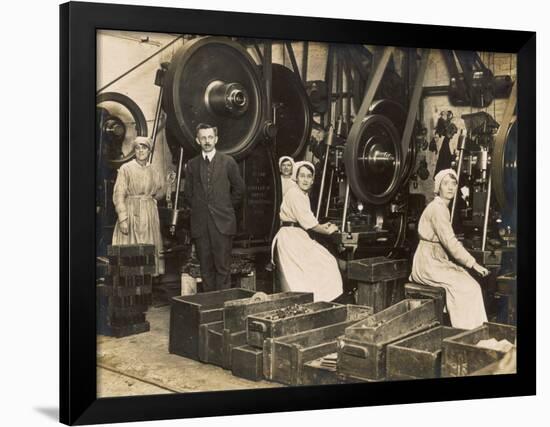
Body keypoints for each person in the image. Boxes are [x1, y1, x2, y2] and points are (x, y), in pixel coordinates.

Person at [410, 168, 489, 329]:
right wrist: (473, 264)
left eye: (454, 183)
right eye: (446, 184)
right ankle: (467, 333)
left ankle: (474, 330)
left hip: (434, 260)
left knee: (466, 280)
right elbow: (450, 242)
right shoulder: (437, 209)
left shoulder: (440, 207)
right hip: (428, 264)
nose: (451, 187)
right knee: (469, 287)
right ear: (438, 188)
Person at [183, 123, 245, 292]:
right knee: (206, 270)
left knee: (223, 269)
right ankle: (210, 308)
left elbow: (239, 189)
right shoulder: (192, 165)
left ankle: (223, 309)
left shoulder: (228, 162)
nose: (207, 141)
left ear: (216, 139)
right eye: (203, 137)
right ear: (198, 140)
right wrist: (200, 209)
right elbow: (188, 193)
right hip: (201, 226)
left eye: (210, 137)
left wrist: (225, 207)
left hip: (223, 224)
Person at [272, 161, 343, 301]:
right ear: (296, 178)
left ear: (312, 180)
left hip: (297, 235)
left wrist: (323, 226)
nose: (305, 179)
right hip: (290, 238)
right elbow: (309, 223)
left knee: (324, 261)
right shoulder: (294, 193)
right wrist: (327, 230)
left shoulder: (302, 195)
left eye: (309, 176)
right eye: (302, 176)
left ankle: (319, 299)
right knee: (326, 262)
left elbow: (307, 219)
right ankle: (315, 300)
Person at [112, 136, 165, 275]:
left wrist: (167, 188)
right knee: (130, 253)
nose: (141, 151)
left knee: (148, 250)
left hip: (149, 215)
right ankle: (130, 289)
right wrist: (123, 218)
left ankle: (145, 285)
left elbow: (159, 193)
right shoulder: (126, 169)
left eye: (144, 147)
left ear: (149, 150)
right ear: (134, 150)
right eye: (138, 147)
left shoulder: (154, 170)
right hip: (131, 213)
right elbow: (118, 194)